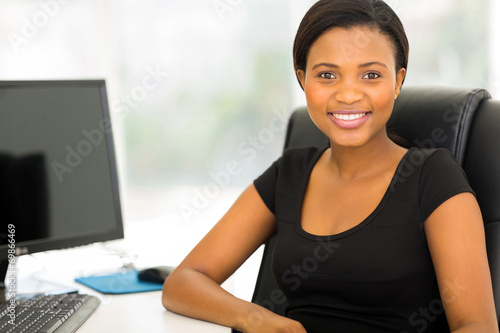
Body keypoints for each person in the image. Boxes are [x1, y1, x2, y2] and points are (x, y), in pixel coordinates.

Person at [162, 0, 498, 332]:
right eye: (326, 75)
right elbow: (184, 282)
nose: (349, 94)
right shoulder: (289, 173)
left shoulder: (432, 177)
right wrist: (262, 320)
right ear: (303, 80)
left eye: (370, 75)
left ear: (397, 81)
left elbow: (476, 325)